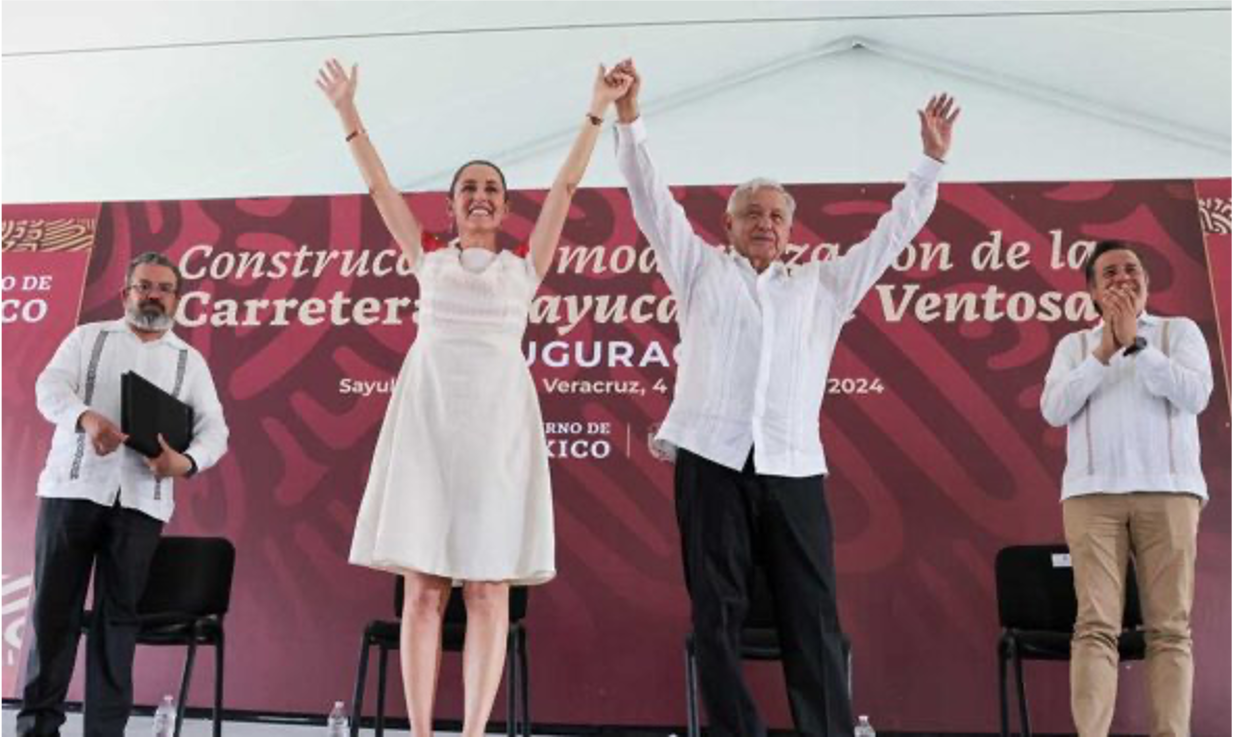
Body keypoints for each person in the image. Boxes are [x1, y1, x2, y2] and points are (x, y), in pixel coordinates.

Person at [609, 59, 959, 736]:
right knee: (716, 613)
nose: (765, 223)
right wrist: (629, 119)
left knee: (813, 615)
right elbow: (649, 198)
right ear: (729, 224)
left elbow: (892, 235)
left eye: (776, 215)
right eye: (752, 213)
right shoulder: (698, 270)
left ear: (792, 231)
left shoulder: (822, 288)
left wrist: (930, 164)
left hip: (793, 466)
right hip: (711, 460)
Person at [315, 58, 632, 735]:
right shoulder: (428, 259)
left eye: (491, 187)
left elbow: (567, 184)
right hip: (427, 426)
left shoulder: (525, 267)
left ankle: (473, 732)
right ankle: (421, 731)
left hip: (497, 432)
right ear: (451, 205)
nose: (480, 195)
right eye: (468, 187)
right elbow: (378, 187)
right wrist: (346, 109)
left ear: (506, 207)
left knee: (489, 589)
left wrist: (596, 109)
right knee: (423, 588)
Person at [17, 252, 230, 737]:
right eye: (144, 286)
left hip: (140, 502)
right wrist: (86, 418)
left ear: (177, 299)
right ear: (125, 293)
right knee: (53, 615)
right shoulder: (87, 338)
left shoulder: (189, 361)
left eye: (164, 288)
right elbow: (49, 387)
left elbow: (215, 430)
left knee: (118, 624)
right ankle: (36, 728)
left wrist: (185, 462)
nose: (153, 295)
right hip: (72, 490)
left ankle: (105, 732)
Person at [1041, 239, 1212, 737]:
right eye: (1110, 273)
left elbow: (1195, 396)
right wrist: (1104, 351)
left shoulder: (1179, 332)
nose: (1123, 278)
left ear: (1146, 282)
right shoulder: (1075, 346)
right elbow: (1054, 409)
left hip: (1170, 492)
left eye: (1131, 269)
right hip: (1092, 496)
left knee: (1170, 629)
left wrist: (1138, 344)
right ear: (1093, 292)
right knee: (1095, 626)